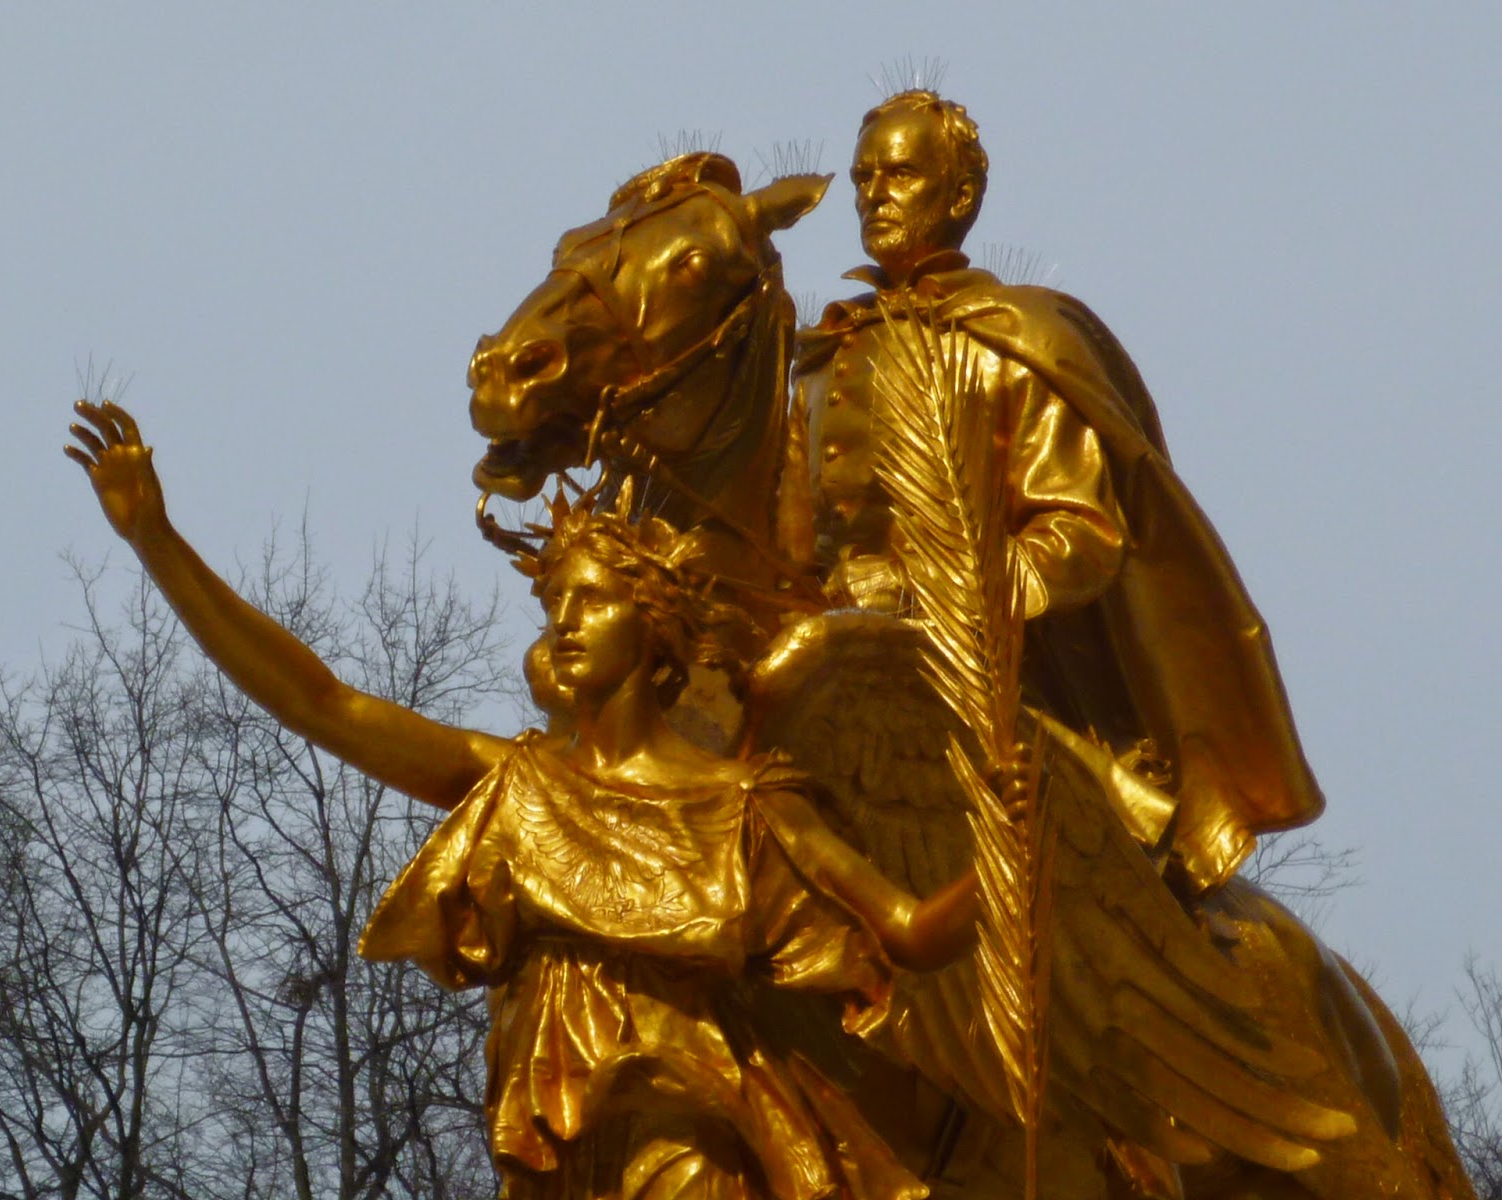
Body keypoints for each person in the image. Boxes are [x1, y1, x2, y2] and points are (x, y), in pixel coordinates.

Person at [65, 400, 984, 1200]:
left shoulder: (746, 807)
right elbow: (321, 703)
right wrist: (157, 540)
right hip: (557, 1146)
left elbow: (909, 931)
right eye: (555, 605)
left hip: (691, 1141)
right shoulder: (518, 783)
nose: (565, 620)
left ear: (653, 624)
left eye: (591, 600)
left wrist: (1011, 850)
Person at [793, 90, 1324, 894]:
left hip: (1000, 688)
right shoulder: (821, 363)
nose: (877, 193)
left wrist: (919, 591)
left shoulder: (1014, 341)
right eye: (866, 176)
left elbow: (1079, 540)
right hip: (831, 672)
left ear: (960, 195)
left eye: (901, 172)